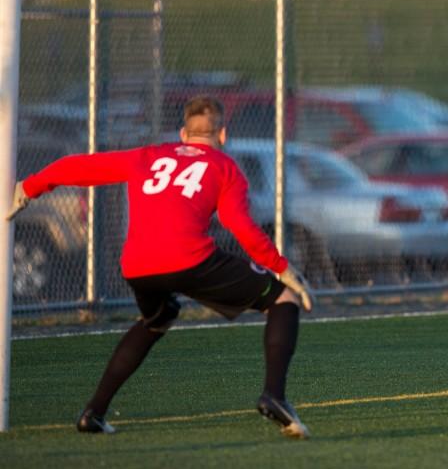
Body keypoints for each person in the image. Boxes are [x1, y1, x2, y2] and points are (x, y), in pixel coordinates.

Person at [7, 95, 315, 438]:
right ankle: (274, 395)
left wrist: (29, 187)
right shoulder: (226, 168)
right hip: (190, 260)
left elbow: (80, 166)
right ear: (223, 135)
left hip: (137, 266)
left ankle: (93, 412)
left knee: (158, 318)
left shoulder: (148, 156)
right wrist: (281, 266)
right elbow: (240, 226)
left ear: (183, 133)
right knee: (283, 300)